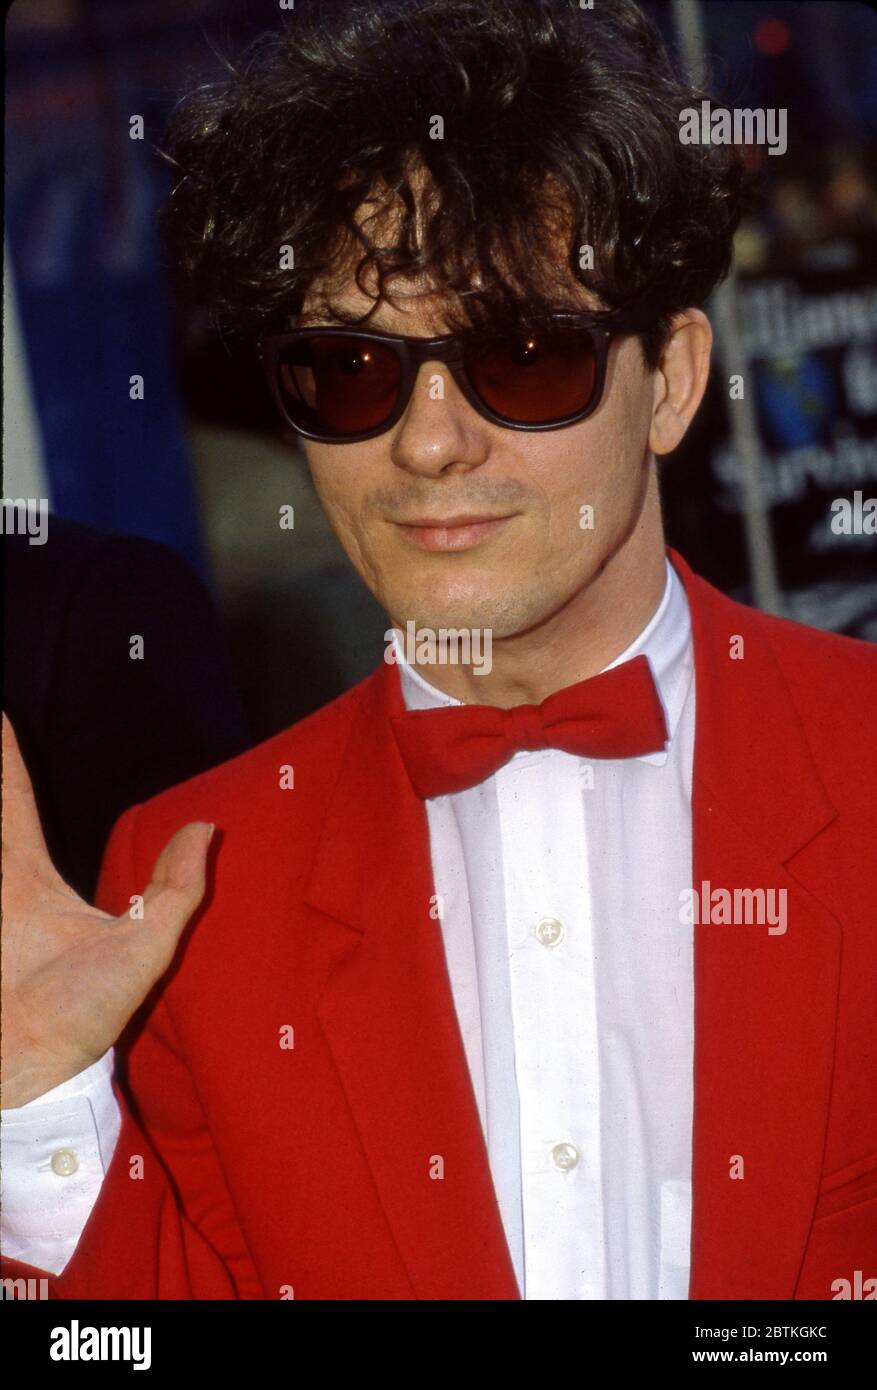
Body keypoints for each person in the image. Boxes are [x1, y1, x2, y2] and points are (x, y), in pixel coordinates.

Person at [2, 0, 875, 1301]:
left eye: (520, 357)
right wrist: (42, 1109)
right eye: (352, 367)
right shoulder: (186, 885)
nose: (425, 443)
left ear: (674, 381)